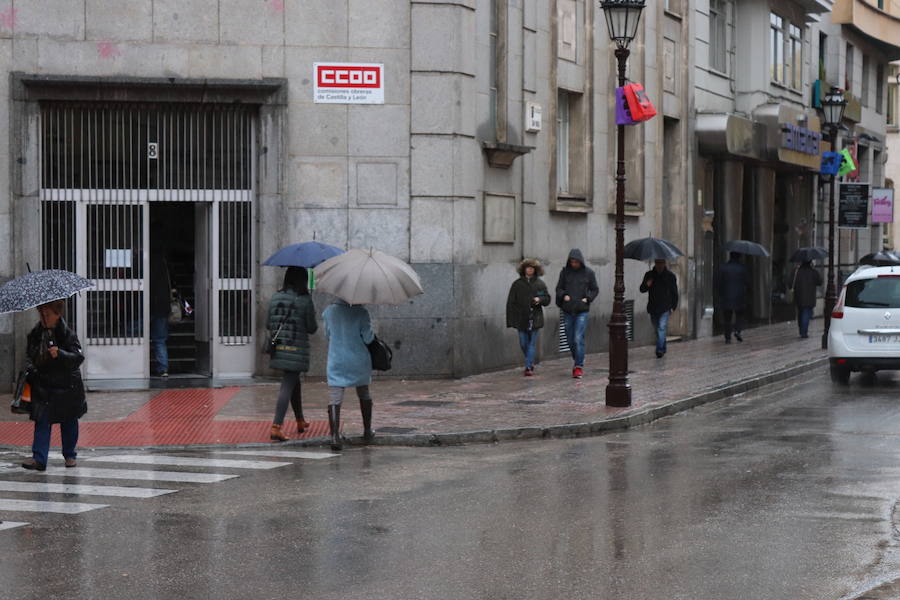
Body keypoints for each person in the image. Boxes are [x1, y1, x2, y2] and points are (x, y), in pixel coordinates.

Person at [21, 300, 87, 471]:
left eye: (47, 313)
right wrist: (33, 365)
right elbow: (29, 356)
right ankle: (39, 458)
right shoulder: (35, 334)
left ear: (58, 315)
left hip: (66, 387)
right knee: (42, 420)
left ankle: (70, 455)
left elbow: (77, 358)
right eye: (41, 313)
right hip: (44, 386)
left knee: (69, 421)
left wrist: (60, 354)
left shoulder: (67, 334)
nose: (43, 317)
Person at [266, 267, 318, 442]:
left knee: (293, 381)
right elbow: (312, 328)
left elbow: (268, 323)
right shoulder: (304, 300)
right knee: (287, 385)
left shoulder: (275, 297)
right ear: (302, 281)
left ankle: (300, 420)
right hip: (296, 349)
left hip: (280, 348)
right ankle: (276, 426)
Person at [323, 299, 376, 451]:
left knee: (335, 398)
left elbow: (327, 335)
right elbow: (368, 338)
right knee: (364, 393)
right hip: (358, 360)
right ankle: (367, 431)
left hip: (337, 359)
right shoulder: (361, 312)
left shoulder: (329, 312)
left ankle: (334, 437)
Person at [555, 249, 599, 379]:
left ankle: (578, 366)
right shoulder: (564, 273)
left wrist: (588, 298)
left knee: (578, 338)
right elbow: (559, 288)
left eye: (576, 262)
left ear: (580, 261)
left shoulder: (588, 273)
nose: (574, 264)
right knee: (570, 339)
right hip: (568, 309)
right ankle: (578, 358)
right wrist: (564, 295)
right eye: (572, 262)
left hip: (582, 310)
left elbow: (595, 289)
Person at [506, 259, 551, 376]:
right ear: (524, 269)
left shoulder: (540, 284)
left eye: (532, 268)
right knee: (523, 342)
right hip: (521, 318)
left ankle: (528, 367)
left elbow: (547, 299)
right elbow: (511, 302)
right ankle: (530, 361)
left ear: (535, 270)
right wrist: (511, 319)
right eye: (528, 267)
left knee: (531, 343)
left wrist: (539, 300)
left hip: (535, 318)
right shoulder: (517, 284)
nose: (530, 269)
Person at [640, 259, 679, 358]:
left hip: (665, 307)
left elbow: (675, 293)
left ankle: (659, 350)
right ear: (655, 263)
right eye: (657, 263)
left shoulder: (670, 276)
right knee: (657, 329)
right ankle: (663, 346)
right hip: (653, 307)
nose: (659, 265)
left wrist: (673, 307)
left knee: (662, 328)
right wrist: (647, 285)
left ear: (664, 263)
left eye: (661, 263)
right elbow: (642, 289)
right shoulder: (649, 275)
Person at [718, 252, 750, 344]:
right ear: (739, 257)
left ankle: (728, 338)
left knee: (727, 318)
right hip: (740, 296)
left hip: (726, 296)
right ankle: (737, 330)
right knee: (740, 315)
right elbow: (748, 282)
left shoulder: (723, 267)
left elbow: (718, 282)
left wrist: (721, 293)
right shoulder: (743, 268)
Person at [149, 247, 171, 377]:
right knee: (160, 339)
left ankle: (136, 367)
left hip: (145, 306)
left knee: (135, 336)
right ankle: (163, 368)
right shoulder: (163, 264)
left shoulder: (142, 264)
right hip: (162, 307)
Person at [791, 260, 822, 339]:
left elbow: (789, 283)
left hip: (798, 296)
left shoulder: (796, 271)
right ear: (810, 263)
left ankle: (801, 330)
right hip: (809, 298)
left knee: (801, 313)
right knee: (806, 313)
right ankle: (803, 332)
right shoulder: (813, 271)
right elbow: (820, 282)